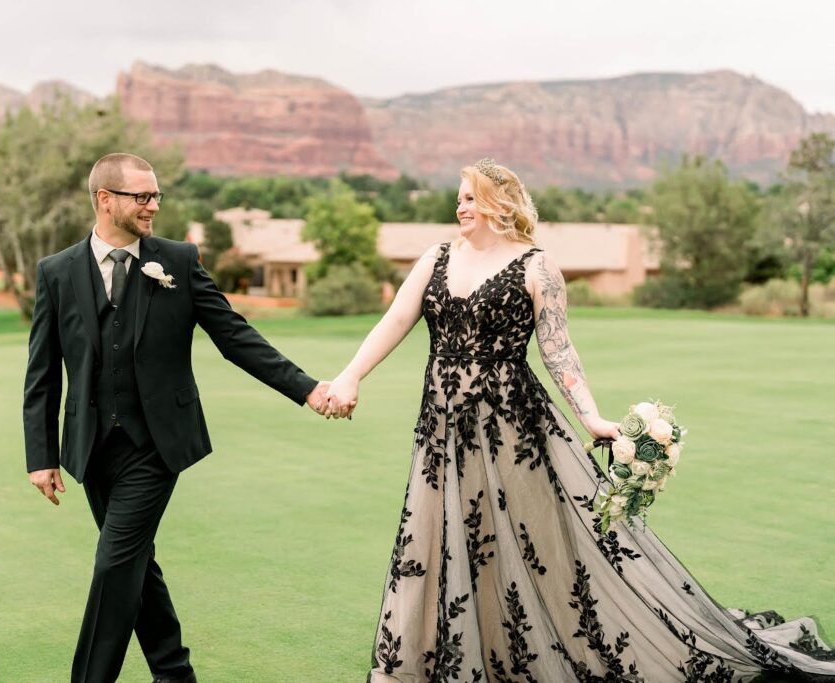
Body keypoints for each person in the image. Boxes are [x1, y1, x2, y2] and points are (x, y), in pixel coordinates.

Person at [323, 158, 835, 681]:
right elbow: (397, 320)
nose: (460, 205)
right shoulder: (435, 257)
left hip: (512, 427)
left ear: (500, 204)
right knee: (440, 531)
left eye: (471, 197)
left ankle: (521, 652)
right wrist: (350, 376)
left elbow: (558, 351)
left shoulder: (537, 266)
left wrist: (591, 418)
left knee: (521, 539)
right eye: (459, 196)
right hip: (442, 425)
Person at [22, 152, 330, 683]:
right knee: (137, 562)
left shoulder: (179, 262)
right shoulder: (57, 272)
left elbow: (235, 337)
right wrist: (41, 456)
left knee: (114, 564)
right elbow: (43, 371)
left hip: (157, 445)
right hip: (91, 447)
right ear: (104, 199)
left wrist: (306, 389)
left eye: (156, 195)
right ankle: (174, 672)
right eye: (142, 196)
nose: (153, 206)